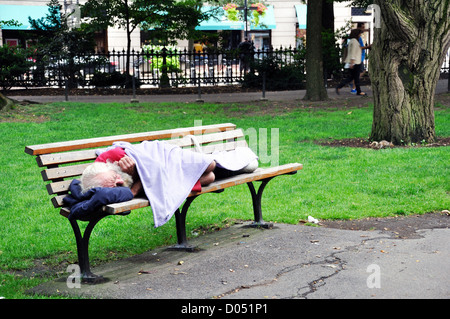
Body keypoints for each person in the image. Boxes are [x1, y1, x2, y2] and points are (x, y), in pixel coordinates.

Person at [76, 140, 258, 227]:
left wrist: (136, 168)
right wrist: (136, 185)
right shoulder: (110, 183)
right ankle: (237, 164)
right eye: (114, 185)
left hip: (166, 159)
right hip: (163, 177)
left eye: (113, 178)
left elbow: (150, 161)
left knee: (209, 165)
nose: (118, 181)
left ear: (108, 168)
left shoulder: (114, 158)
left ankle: (238, 161)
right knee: (209, 177)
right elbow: (144, 183)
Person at [336, 29, 367, 96]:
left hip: (354, 62)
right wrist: (352, 63)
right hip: (355, 62)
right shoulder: (354, 41)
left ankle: (340, 86)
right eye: (359, 34)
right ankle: (358, 91)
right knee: (355, 77)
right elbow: (353, 52)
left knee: (352, 77)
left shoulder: (352, 41)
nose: (360, 35)